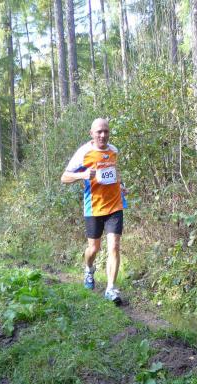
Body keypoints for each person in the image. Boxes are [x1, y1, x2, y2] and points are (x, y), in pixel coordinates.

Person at [61, 117, 127, 304]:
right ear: (91, 133)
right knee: (94, 248)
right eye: (99, 132)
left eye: (106, 131)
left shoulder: (114, 150)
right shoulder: (84, 152)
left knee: (114, 246)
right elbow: (64, 177)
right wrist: (82, 175)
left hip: (114, 205)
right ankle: (89, 269)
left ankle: (110, 289)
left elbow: (113, 173)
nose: (103, 135)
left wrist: (120, 185)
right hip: (94, 208)